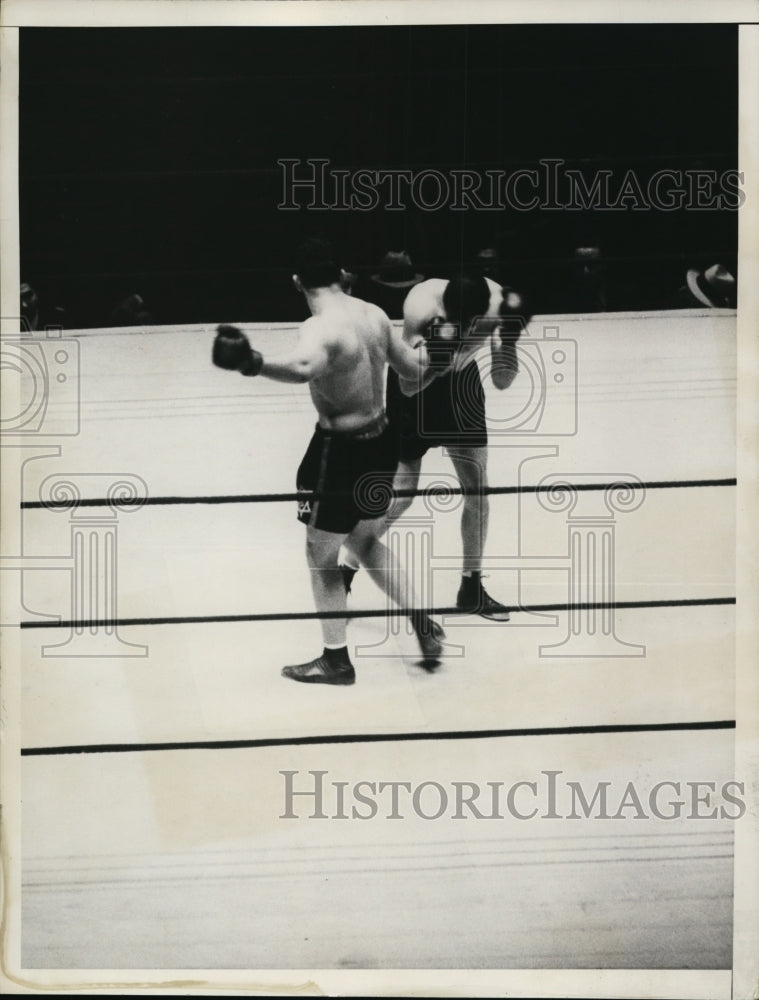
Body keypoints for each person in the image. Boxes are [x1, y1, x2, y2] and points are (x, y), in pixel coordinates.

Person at [212, 238, 444, 685]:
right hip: (382, 440)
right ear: (342, 276)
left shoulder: (319, 326)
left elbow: (302, 367)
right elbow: (413, 371)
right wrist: (444, 349)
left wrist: (250, 362)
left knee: (320, 556)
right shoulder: (373, 313)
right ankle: (423, 621)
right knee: (365, 540)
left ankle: (335, 659)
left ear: (297, 281)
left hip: (340, 452)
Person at [341, 271, 528, 621]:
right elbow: (408, 387)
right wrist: (440, 358)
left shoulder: (501, 305)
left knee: (478, 493)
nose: (468, 326)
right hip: (418, 385)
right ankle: (345, 569)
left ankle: (471, 589)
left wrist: (511, 341)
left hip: (463, 389)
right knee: (403, 494)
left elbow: (502, 380)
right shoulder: (421, 304)